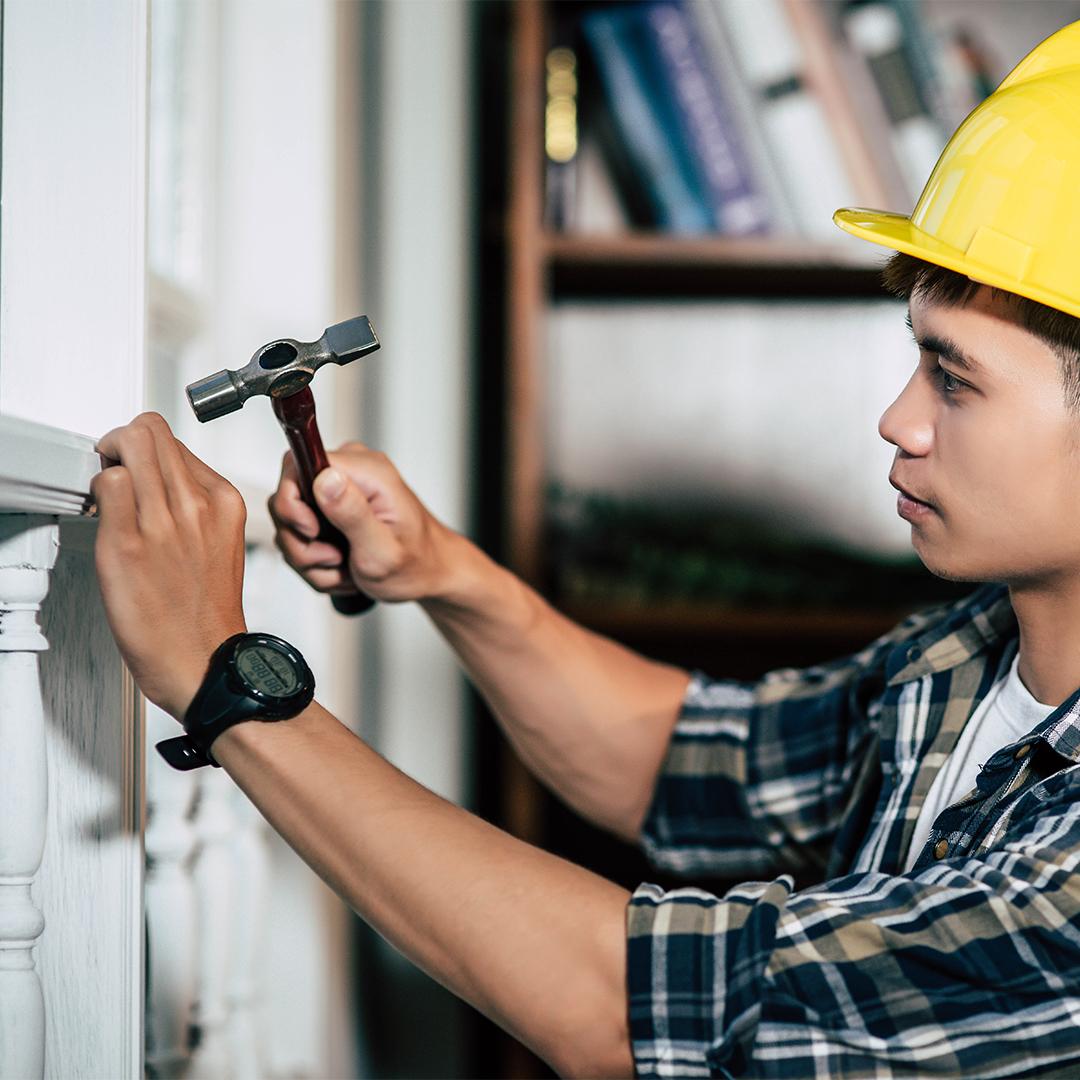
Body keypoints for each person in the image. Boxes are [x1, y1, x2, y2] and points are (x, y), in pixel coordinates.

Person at [91, 21, 1080, 1079]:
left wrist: (223, 679)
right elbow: (678, 758)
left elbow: (616, 1007)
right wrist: (444, 572)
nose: (897, 419)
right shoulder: (959, 658)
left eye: (955, 378)